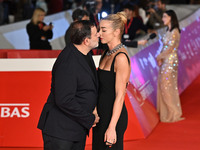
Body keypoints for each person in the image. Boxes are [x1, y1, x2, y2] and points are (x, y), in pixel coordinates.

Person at [37, 20, 100, 150]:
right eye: (95, 34)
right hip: (61, 132)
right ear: (86, 41)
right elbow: (64, 100)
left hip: (75, 129)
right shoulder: (68, 62)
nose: (99, 35)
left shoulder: (85, 53)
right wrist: (89, 118)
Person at [92, 12, 131, 150]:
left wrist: (112, 127)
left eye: (103, 30)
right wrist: (95, 110)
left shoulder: (120, 58)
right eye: (99, 29)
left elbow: (120, 96)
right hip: (100, 116)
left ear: (116, 32)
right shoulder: (105, 53)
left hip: (113, 117)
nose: (99, 33)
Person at [156, 10, 184, 122]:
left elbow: (170, 48)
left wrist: (159, 57)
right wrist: (161, 58)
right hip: (166, 60)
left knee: (167, 87)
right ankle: (169, 112)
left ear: (171, 18)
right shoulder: (168, 30)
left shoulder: (175, 32)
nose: (162, 19)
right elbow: (165, 48)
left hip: (170, 61)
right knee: (165, 86)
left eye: (164, 16)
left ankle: (173, 112)